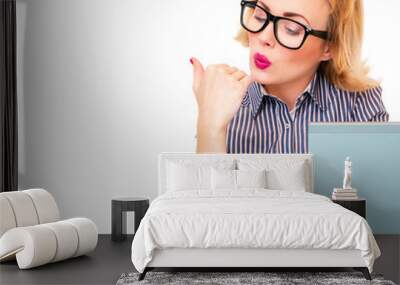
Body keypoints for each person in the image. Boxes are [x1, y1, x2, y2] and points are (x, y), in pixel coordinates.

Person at [191, 0, 390, 154]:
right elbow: (207, 205)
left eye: (291, 29)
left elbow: (378, 201)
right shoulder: (223, 102)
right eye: (260, 16)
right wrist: (210, 126)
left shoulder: (359, 104)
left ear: (329, 47)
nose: (264, 38)